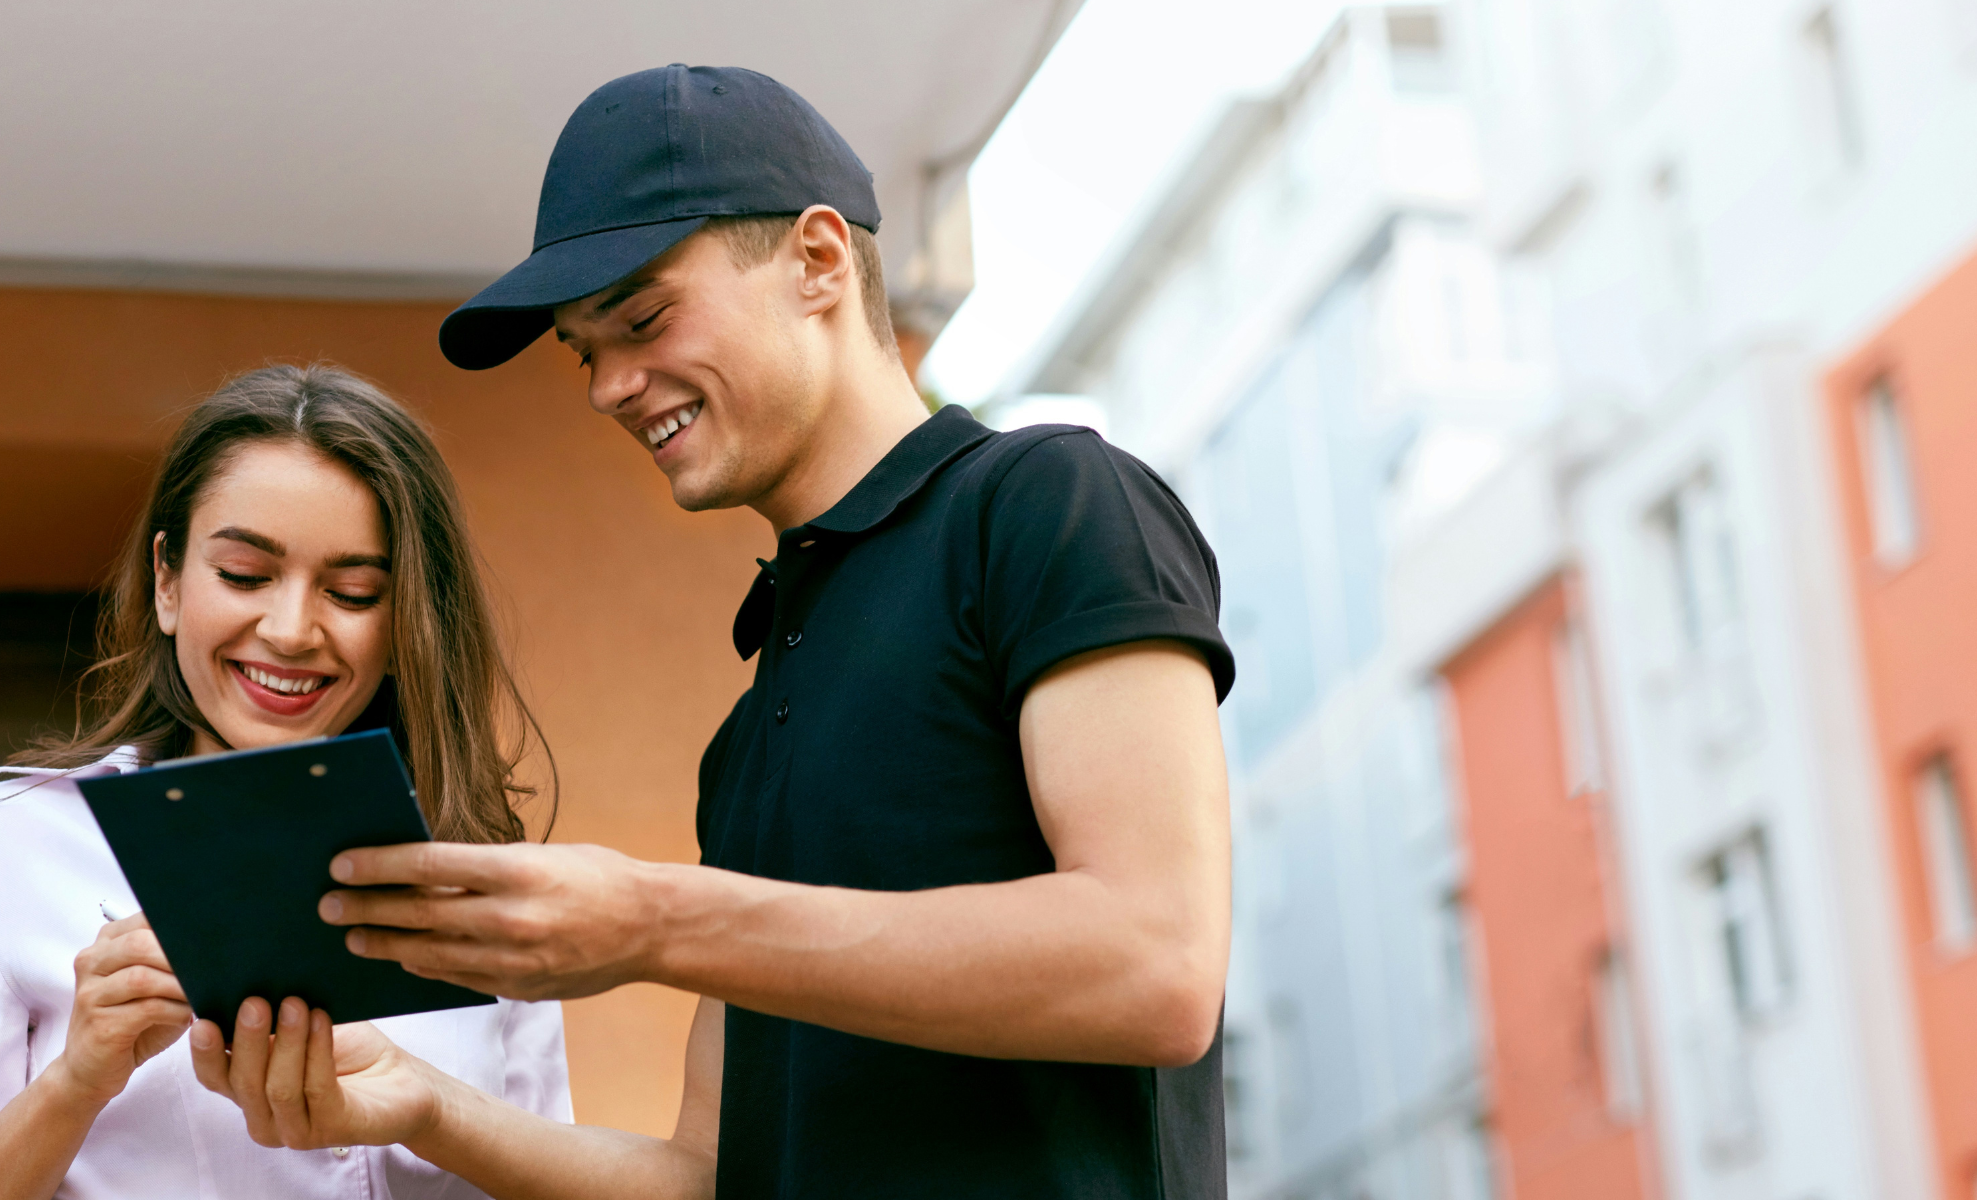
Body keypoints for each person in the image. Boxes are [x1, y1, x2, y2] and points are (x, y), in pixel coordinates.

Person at [192, 66, 1237, 1199]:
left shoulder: (1049, 503)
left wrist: (651, 917)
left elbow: (1158, 962)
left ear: (820, 260)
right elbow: (703, 1173)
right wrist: (423, 1104)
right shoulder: (756, 716)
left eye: (642, 319)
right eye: (585, 351)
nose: (607, 388)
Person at [0, 366, 572, 1200]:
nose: (293, 630)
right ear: (167, 579)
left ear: (406, 617)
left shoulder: (482, 875)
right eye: (245, 576)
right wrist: (75, 1081)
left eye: (352, 592)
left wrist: (434, 1111)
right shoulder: (4, 846)